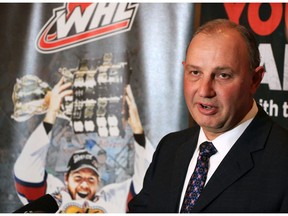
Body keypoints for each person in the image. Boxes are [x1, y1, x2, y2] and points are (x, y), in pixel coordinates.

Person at [128, 18, 288, 213]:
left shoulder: (281, 161)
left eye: (223, 75)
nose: (204, 90)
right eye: (195, 72)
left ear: (254, 80)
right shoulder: (169, 149)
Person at [14, 77, 154, 213]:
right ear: (66, 179)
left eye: (91, 178)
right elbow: (26, 171)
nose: (85, 184)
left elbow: (147, 184)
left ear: (99, 182)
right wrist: (52, 112)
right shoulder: (55, 197)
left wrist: (137, 129)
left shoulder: (111, 199)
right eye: (78, 178)